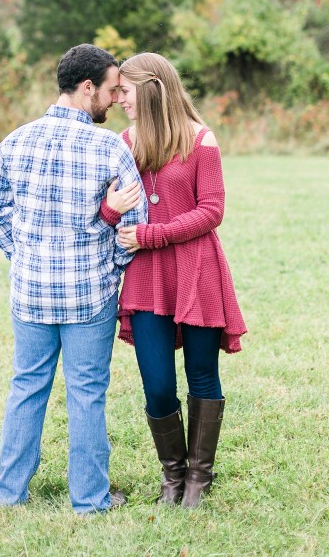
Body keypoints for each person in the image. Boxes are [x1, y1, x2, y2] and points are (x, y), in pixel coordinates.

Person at [0, 43, 147, 514]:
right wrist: (110, 261)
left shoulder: (15, 140)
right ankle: (90, 501)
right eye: (112, 89)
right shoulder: (110, 147)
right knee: (87, 393)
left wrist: (25, 254)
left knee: (27, 386)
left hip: (30, 291)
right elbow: (135, 220)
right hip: (88, 295)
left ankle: (7, 494)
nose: (116, 99)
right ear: (87, 87)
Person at [101, 51, 247, 508]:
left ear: (152, 88)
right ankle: (173, 474)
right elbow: (108, 212)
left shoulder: (201, 141)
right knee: (158, 383)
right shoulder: (124, 143)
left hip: (196, 269)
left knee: (202, 374)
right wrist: (112, 211)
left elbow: (212, 211)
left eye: (125, 90)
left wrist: (151, 234)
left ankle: (199, 480)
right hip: (147, 277)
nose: (119, 98)